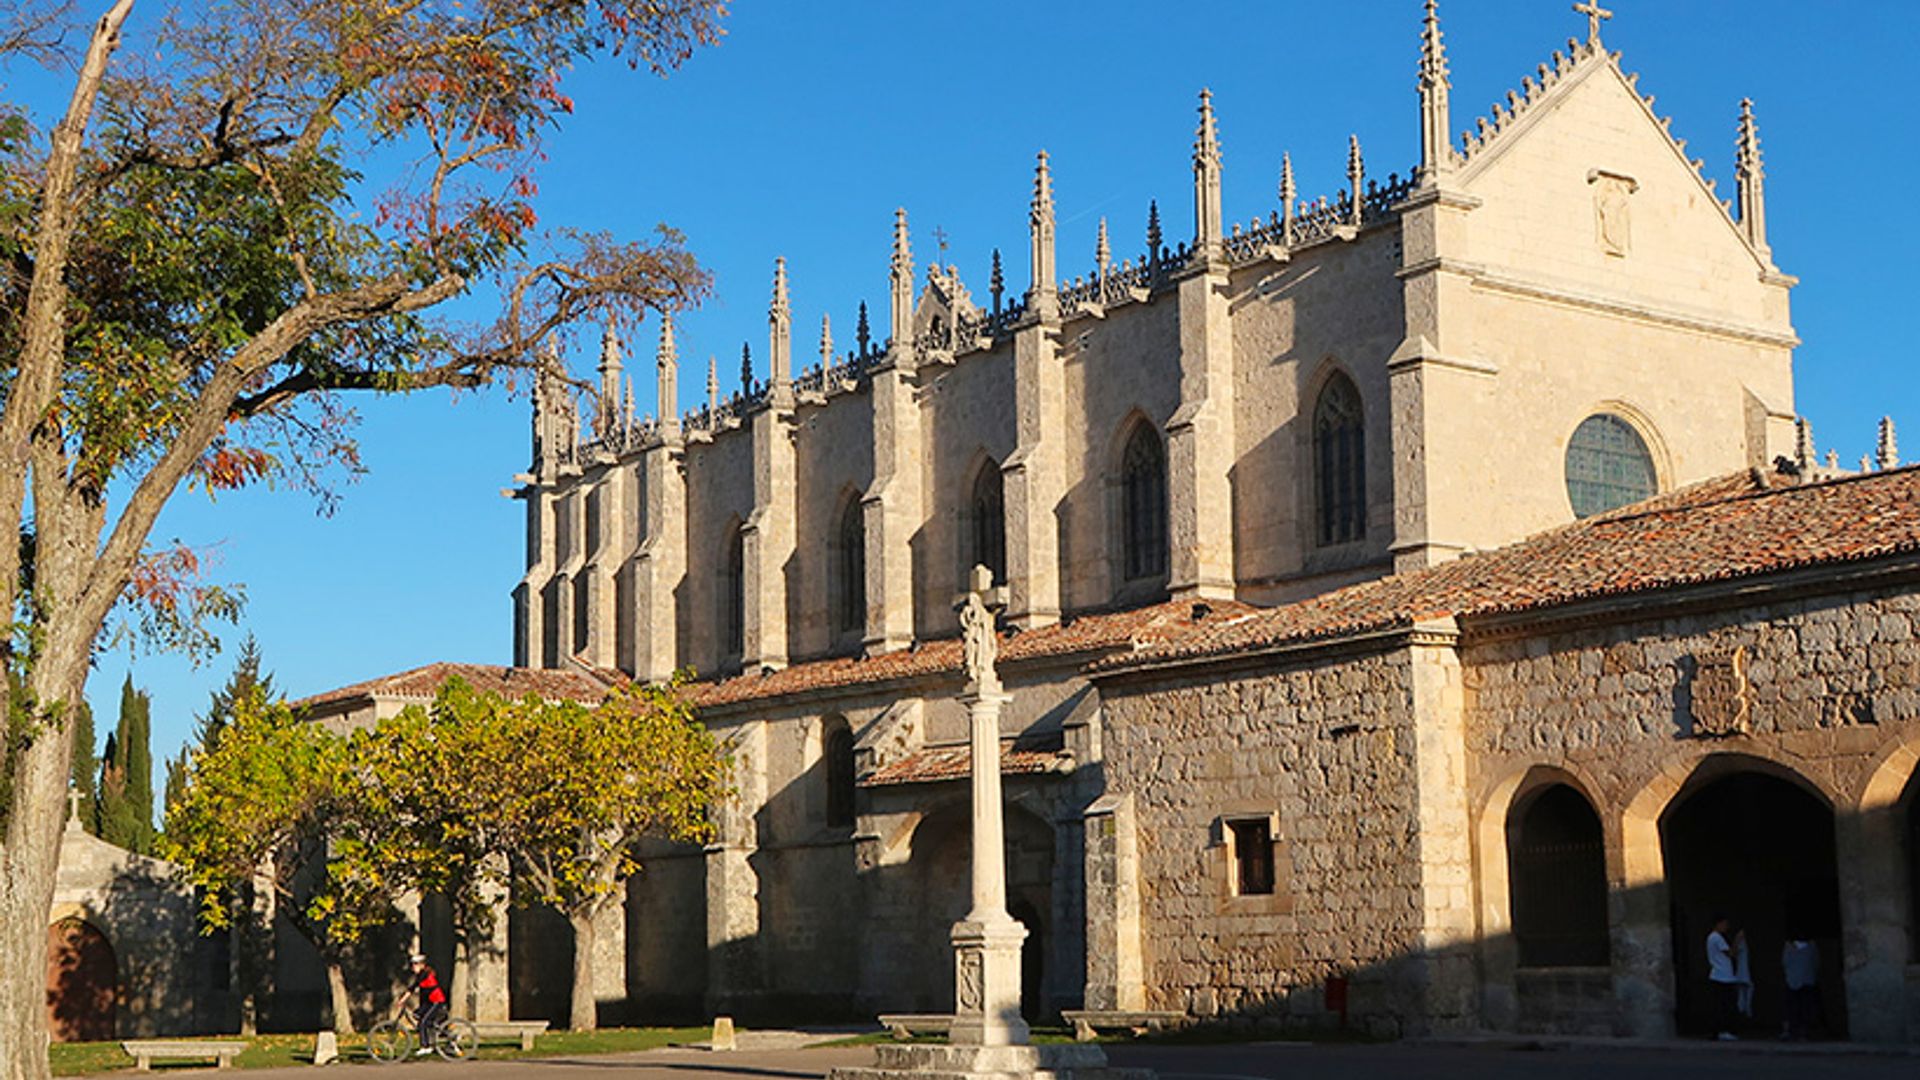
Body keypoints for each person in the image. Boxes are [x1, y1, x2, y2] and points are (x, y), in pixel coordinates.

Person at [1705, 915, 1741, 1040]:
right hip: (1723, 976)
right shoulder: (1717, 938)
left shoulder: (1712, 937)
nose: (1726, 927)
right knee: (1725, 1005)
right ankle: (1723, 1030)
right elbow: (1731, 953)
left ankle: (1719, 1030)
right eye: (1724, 924)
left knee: (1719, 1005)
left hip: (1720, 975)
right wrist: (1737, 940)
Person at [408, 953, 449, 1056]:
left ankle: (425, 1046)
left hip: (437, 1001)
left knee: (423, 1022)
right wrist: (402, 1000)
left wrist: (411, 995)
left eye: (416, 964)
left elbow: (421, 988)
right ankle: (431, 1038)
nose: (413, 967)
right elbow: (412, 988)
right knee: (417, 1015)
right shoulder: (420, 976)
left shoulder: (426, 974)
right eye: (412, 964)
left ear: (422, 965)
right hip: (429, 1002)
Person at [1782, 934, 1820, 1040]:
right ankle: (1802, 1032)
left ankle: (1792, 1031)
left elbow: (1785, 963)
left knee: (1793, 1007)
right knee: (1804, 1007)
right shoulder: (1811, 947)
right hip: (1806, 980)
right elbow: (1816, 963)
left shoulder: (1789, 947)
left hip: (1793, 981)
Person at [1733, 925, 1753, 1020]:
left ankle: (1745, 1009)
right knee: (1742, 993)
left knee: (1745, 992)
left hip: (1743, 972)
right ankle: (1743, 1009)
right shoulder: (1740, 943)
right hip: (1741, 973)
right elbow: (1734, 952)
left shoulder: (1744, 943)